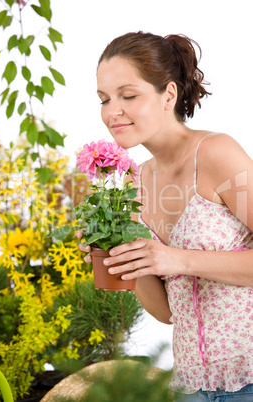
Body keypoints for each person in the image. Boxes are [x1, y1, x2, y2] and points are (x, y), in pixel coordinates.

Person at [77, 31, 253, 401]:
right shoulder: (137, 181)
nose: (112, 111)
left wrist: (178, 258)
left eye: (128, 95)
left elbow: (177, 261)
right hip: (190, 385)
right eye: (104, 99)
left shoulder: (216, 153)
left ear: (168, 95)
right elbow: (167, 313)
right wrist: (120, 255)